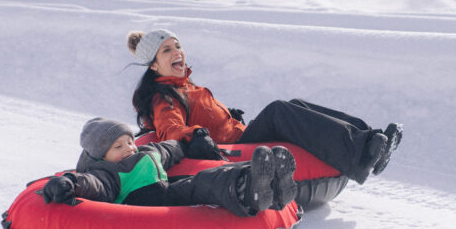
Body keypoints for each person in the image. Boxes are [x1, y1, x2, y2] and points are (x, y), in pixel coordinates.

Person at [127, 29, 403, 185]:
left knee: (294, 105)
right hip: (231, 148)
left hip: (239, 135)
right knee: (279, 110)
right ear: (153, 65)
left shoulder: (186, 85)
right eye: (167, 50)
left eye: (178, 45)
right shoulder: (164, 96)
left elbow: (204, 113)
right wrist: (196, 134)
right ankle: (362, 155)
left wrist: (228, 116)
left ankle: (370, 138)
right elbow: (169, 131)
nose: (178, 52)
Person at [41, 117, 298, 217]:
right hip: (144, 205)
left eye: (129, 141)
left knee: (203, 179)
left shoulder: (147, 151)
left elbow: (169, 149)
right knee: (200, 187)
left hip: (166, 189)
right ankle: (248, 190)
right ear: (102, 156)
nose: (129, 149)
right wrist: (70, 183)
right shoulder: (106, 173)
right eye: (118, 147)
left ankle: (265, 183)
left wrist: (188, 143)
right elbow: (92, 185)